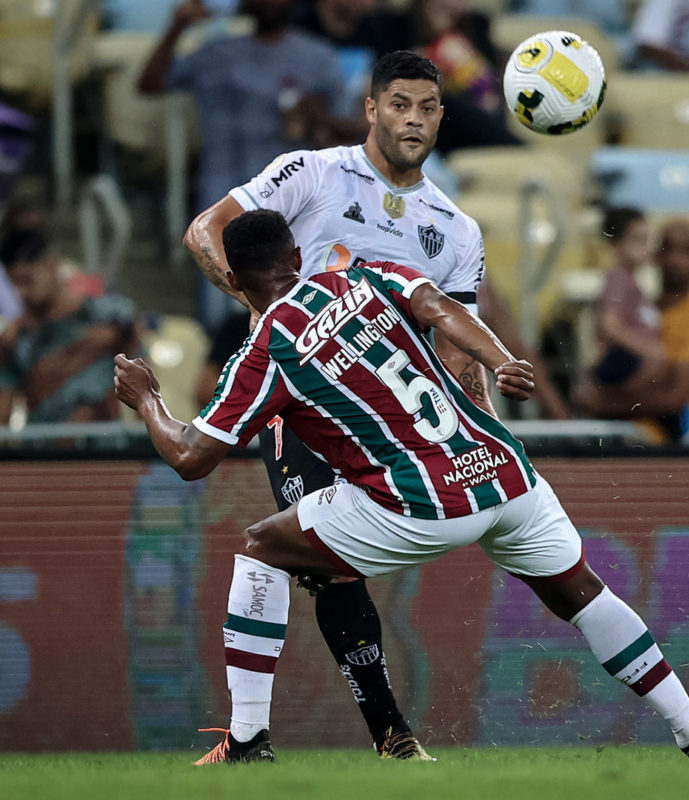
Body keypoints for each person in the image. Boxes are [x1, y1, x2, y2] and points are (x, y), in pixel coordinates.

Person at [114, 208, 689, 763]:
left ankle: (247, 740)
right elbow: (440, 307)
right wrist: (500, 361)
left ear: (233, 281)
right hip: (504, 473)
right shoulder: (365, 277)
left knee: (261, 548)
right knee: (583, 594)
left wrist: (148, 401)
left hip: (419, 505)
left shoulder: (267, 349)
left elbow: (192, 459)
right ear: (299, 257)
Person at [184, 49, 570, 760]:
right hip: (302, 405)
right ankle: (388, 737)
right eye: (398, 103)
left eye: (426, 106)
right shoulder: (313, 173)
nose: (412, 119)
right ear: (372, 108)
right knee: (314, 561)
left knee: (310, 558)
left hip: (395, 417)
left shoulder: (453, 227)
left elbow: (457, 344)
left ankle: (297, 739)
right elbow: (206, 230)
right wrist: (267, 312)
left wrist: (476, 426)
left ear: (442, 116)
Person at [137, 0, 355, 327]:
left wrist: (318, 116)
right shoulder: (216, 53)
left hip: (288, 201)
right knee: (220, 312)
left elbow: (346, 138)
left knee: (290, 305)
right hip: (221, 193)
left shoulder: (317, 57)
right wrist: (177, 26)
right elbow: (150, 83)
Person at [574, 217, 689, 443]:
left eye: (687, 251)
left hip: (678, 448)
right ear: (655, 254)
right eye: (667, 248)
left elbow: (674, 398)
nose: (675, 259)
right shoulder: (640, 313)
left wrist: (602, 402)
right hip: (629, 443)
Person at [0, 229, 137, 425]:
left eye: (27, 280)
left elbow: (146, 393)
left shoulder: (111, 317)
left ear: (52, 263)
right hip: (45, 449)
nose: (20, 294)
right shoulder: (16, 341)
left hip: (106, 449)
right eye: (14, 284)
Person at [591, 207, 662, 388]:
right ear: (615, 244)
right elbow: (610, 326)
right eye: (637, 240)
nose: (645, 247)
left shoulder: (633, 282)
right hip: (624, 358)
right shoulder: (617, 278)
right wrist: (647, 349)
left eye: (648, 240)